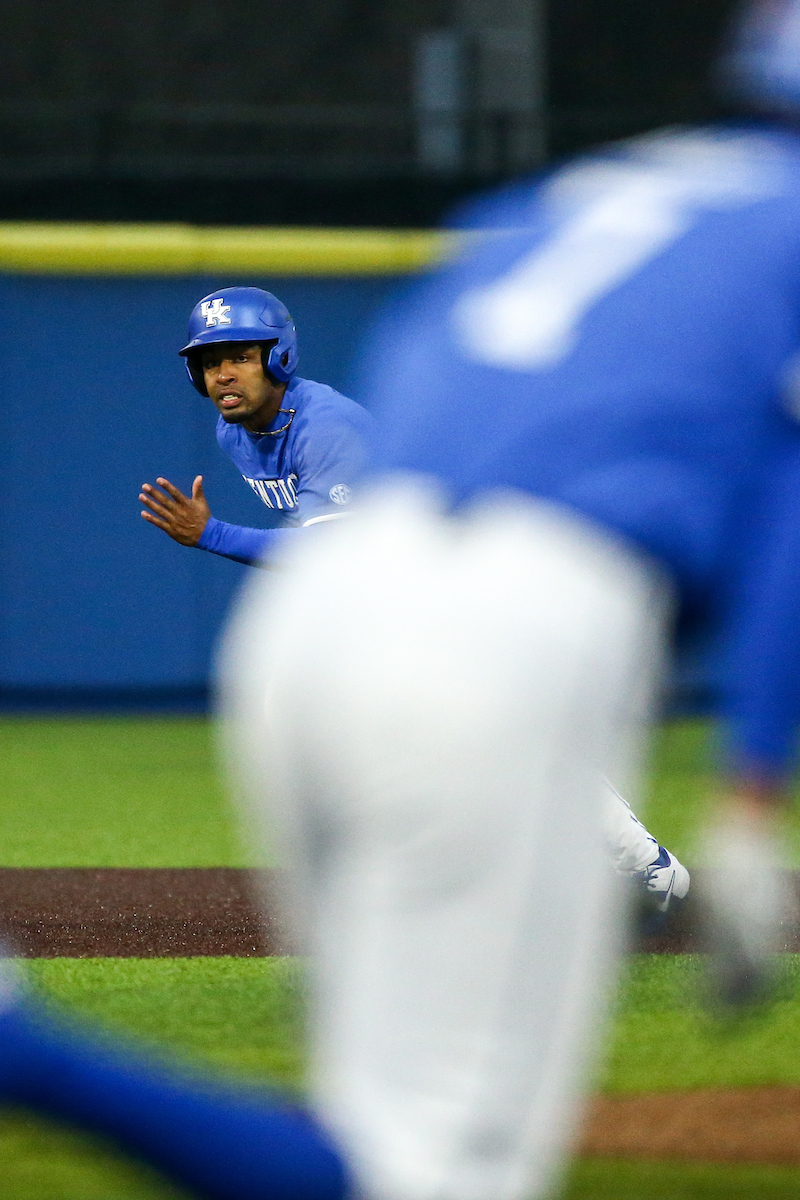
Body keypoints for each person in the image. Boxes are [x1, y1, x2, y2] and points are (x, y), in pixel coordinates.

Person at [0, 5, 794, 1200]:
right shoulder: (782, 227)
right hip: (506, 615)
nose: (220, 375)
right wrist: (748, 791)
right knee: (428, 1169)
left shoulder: (576, 194)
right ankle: (20, 1047)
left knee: (372, 1123)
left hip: (309, 642)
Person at [139, 286, 371, 566]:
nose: (223, 376)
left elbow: (331, 550)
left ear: (279, 357)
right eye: (210, 364)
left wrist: (212, 534)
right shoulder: (232, 432)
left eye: (240, 358)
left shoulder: (325, 427)